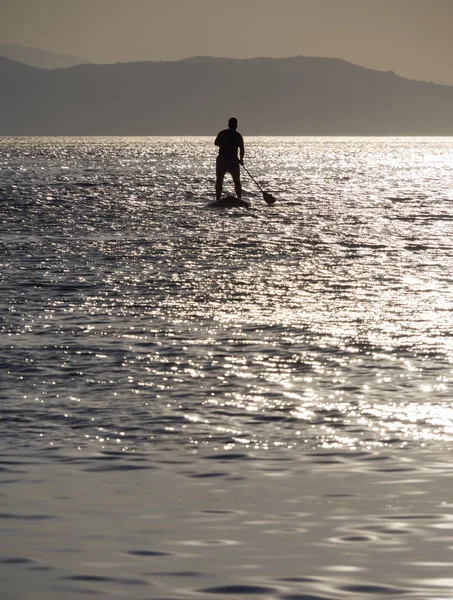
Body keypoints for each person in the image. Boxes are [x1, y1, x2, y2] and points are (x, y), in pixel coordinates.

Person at [214, 117, 245, 201]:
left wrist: (241, 159)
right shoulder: (237, 136)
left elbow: (216, 142)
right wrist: (241, 159)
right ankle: (239, 198)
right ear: (236, 126)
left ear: (228, 125)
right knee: (236, 181)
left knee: (220, 180)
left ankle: (218, 198)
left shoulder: (223, 133)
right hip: (230, 161)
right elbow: (242, 149)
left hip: (226, 160)